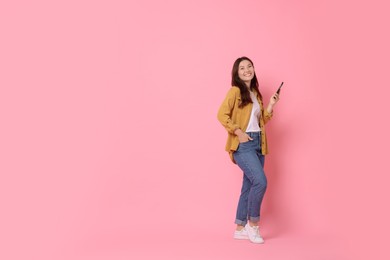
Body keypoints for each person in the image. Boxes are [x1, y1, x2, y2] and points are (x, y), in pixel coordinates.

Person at [217, 57, 280, 244]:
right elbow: (221, 114)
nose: (247, 70)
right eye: (242, 68)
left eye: (249, 66)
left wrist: (270, 105)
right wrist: (238, 131)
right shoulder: (235, 91)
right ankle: (253, 225)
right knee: (260, 182)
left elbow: (260, 121)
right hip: (243, 144)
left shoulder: (255, 93)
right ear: (236, 73)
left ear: (253, 69)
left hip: (259, 143)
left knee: (249, 186)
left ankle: (239, 229)